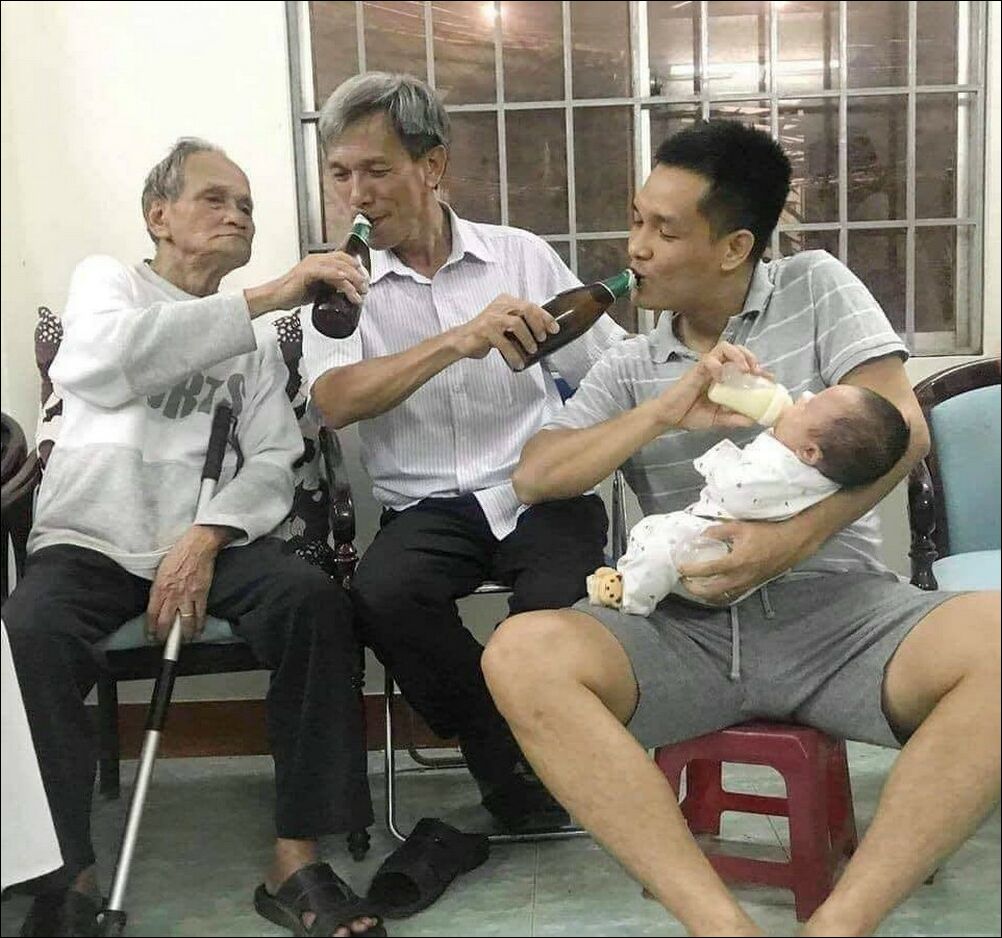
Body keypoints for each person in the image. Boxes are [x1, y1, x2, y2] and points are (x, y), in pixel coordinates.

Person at [481, 120, 1000, 936]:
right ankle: (721, 927)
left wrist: (792, 542)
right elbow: (535, 476)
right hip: (683, 628)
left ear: (734, 248)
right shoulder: (629, 362)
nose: (636, 247)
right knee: (519, 655)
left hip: (839, 612)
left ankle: (841, 924)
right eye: (636, 221)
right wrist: (662, 411)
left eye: (664, 229)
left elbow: (906, 428)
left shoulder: (815, 285)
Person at [2, 138, 384, 938]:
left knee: (314, 604)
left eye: (246, 205)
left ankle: (296, 860)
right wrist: (269, 294)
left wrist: (207, 536)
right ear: (159, 215)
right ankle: (66, 875)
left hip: (209, 541)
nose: (237, 214)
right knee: (27, 631)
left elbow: (274, 459)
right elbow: (103, 362)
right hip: (91, 537)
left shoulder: (251, 348)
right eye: (215, 198)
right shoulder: (109, 283)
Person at [302, 73, 625, 829]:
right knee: (384, 596)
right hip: (425, 509)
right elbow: (334, 401)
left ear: (432, 166)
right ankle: (499, 748)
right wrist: (456, 341)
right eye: (340, 174)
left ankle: (548, 760)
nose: (357, 195)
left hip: (538, 489)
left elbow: (610, 367)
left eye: (376, 171)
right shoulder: (338, 287)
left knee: (556, 606)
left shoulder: (521, 257)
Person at [590, 384, 910, 617]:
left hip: (720, 544)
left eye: (810, 405)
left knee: (658, 538)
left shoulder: (785, 471)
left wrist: (717, 462)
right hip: (721, 539)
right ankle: (629, 579)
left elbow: (733, 490)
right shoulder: (814, 471)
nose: (804, 396)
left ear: (810, 452)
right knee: (656, 537)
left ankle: (630, 596)